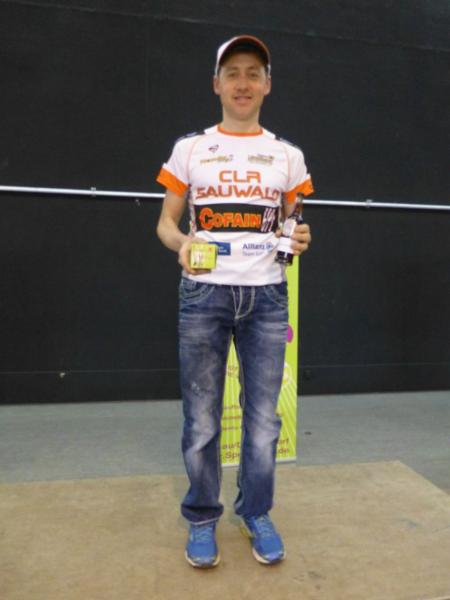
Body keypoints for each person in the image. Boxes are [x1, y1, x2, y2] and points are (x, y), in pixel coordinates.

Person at [156, 35, 313, 568]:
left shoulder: (288, 156)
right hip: (204, 294)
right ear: (216, 84)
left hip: (267, 296)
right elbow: (165, 223)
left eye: (253, 73)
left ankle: (255, 512)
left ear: (267, 85)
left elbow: (294, 224)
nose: (242, 83)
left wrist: (300, 237)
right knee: (201, 418)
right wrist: (182, 244)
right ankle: (202, 517)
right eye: (233, 73)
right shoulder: (191, 149)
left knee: (264, 419)